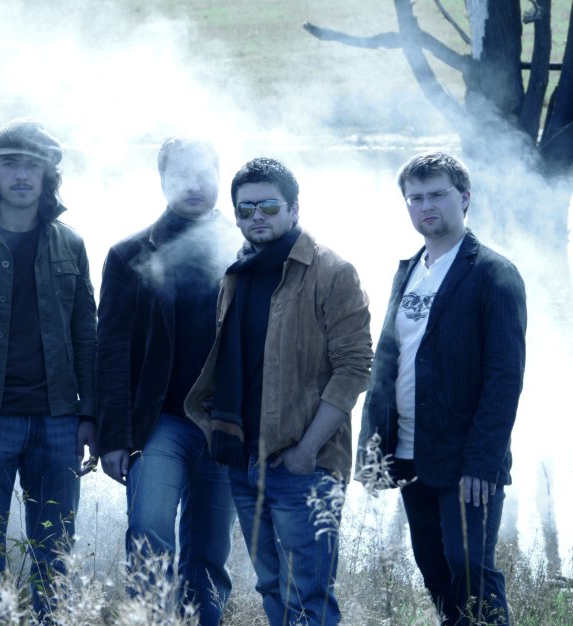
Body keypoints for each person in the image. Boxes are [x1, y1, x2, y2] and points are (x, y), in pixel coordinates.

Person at [186, 157, 372, 626]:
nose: (257, 217)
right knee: (271, 584)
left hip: (302, 464)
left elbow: (354, 369)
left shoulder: (332, 271)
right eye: (245, 209)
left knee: (309, 593)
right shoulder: (237, 273)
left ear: (294, 208)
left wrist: (307, 450)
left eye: (269, 206)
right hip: (244, 461)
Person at [358, 151, 526, 625]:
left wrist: (482, 462)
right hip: (410, 453)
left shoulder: (493, 273)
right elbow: (386, 364)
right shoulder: (407, 270)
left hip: (465, 458)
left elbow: (505, 378)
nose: (425, 206)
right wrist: (372, 453)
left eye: (437, 195)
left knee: (469, 566)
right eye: (415, 198)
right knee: (434, 570)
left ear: (465, 198)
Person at [0, 118, 97, 615]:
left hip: (58, 419)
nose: (21, 175)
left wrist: (90, 415)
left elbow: (87, 335)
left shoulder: (71, 244)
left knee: (55, 551)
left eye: (33, 165)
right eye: (10, 163)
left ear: (48, 174)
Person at [95, 137, 236, 626]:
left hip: (225, 423)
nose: (194, 185)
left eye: (203, 174)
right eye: (181, 175)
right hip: (160, 422)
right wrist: (113, 436)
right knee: (149, 532)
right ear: (161, 180)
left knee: (209, 551)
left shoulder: (248, 249)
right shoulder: (129, 253)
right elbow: (111, 350)